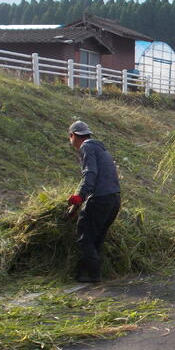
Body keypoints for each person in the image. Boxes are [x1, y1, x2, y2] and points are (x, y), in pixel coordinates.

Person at [67, 120, 121, 283]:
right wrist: (77, 205)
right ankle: (92, 274)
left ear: (73, 136)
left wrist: (79, 197)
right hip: (114, 199)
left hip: (100, 199)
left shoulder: (86, 147)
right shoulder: (100, 149)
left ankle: (91, 275)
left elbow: (90, 174)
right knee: (96, 237)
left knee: (85, 236)